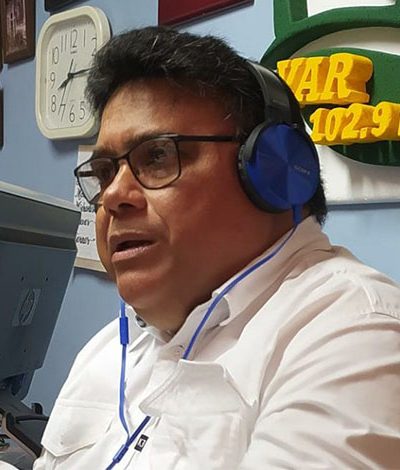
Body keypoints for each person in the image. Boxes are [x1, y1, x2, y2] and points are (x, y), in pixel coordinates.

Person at [34, 26, 399, 469]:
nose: (113, 196)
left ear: (274, 169)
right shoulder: (111, 347)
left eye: (157, 155)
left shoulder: (357, 336)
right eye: (105, 172)